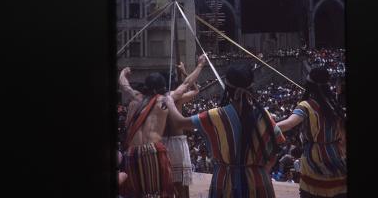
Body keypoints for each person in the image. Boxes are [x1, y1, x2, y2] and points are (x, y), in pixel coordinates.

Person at [165, 63, 286, 197]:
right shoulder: (264, 115)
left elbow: (179, 122)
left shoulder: (216, 116)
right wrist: (262, 170)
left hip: (225, 183)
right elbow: (276, 148)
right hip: (259, 181)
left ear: (227, 87)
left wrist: (170, 101)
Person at [119, 60, 205, 198]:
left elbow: (124, 85)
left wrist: (123, 72)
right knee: (159, 193)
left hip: (131, 152)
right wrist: (200, 65)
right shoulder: (165, 99)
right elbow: (187, 83)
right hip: (152, 151)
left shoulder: (136, 97)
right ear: (161, 88)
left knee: (136, 194)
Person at [277, 67, 347, 198]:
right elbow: (343, 139)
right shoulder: (335, 105)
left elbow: (289, 124)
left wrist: (266, 125)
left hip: (313, 165)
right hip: (337, 162)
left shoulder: (306, 106)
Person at [162, 56, 206, 198]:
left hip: (162, 143)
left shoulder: (154, 100)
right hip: (176, 143)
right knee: (181, 185)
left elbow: (193, 89)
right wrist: (196, 67)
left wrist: (183, 72)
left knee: (167, 182)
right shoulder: (174, 97)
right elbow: (194, 88)